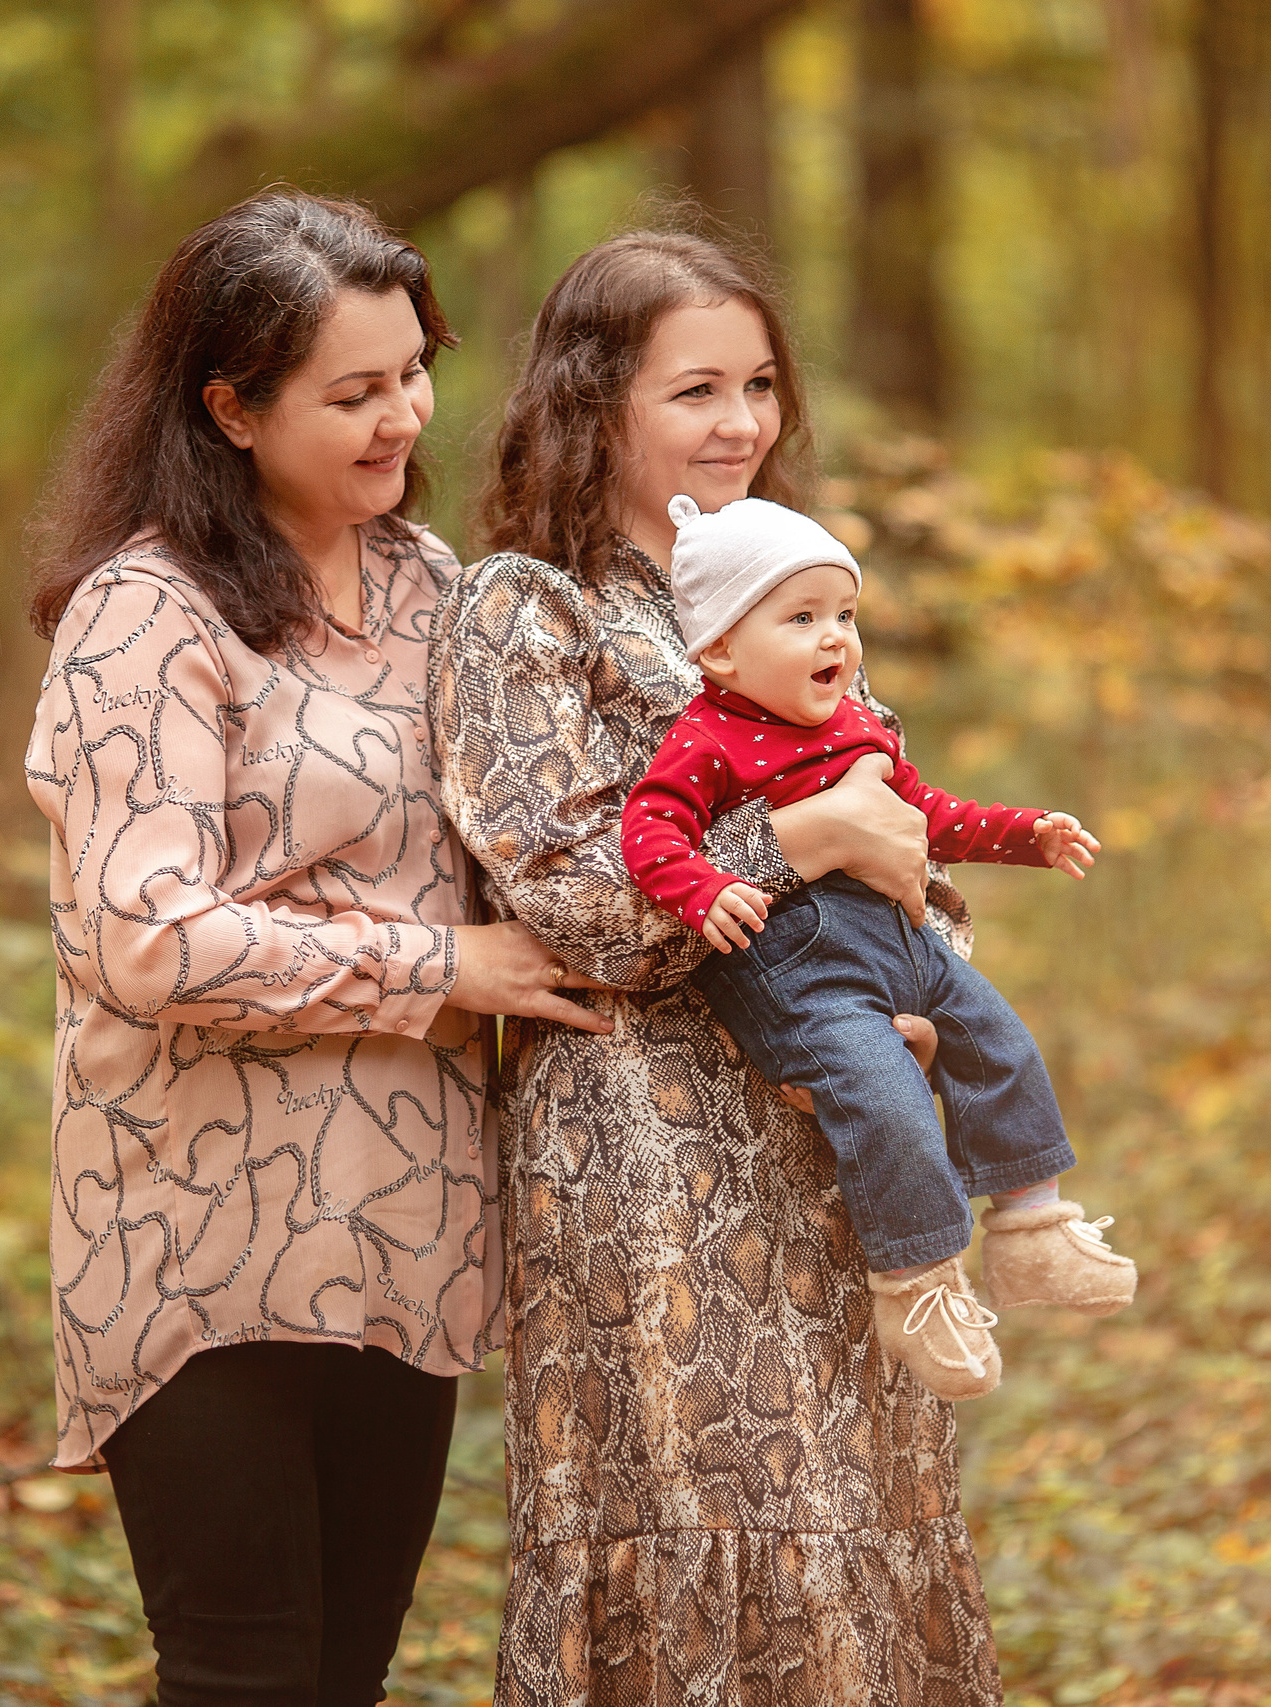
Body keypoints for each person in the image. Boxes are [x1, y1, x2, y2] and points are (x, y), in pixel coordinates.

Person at [23, 189, 606, 1707]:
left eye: (413, 370)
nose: (402, 415)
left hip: (408, 1225)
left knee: (347, 1675)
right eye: (351, 391)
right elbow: (147, 937)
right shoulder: (144, 616)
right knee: (241, 1676)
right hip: (197, 1235)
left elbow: (562, 851)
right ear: (228, 405)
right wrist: (438, 968)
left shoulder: (435, 591)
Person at [430, 228, 1004, 1702]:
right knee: (703, 1517)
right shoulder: (525, 607)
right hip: (646, 1162)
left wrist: (921, 997)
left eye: (758, 383)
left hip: (839, 1132)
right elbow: (580, 906)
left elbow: (906, 846)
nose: (741, 421)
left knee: (862, 1512)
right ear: (592, 400)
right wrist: (796, 837)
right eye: (697, 389)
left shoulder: (791, 595)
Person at [621, 493, 1137, 1402]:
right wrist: (704, 889)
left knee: (998, 1040)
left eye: (845, 615)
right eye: (803, 617)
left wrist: (1027, 834)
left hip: (900, 939)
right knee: (888, 1101)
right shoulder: (708, 739)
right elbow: (651, 831)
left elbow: (928, 816)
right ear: (720, 650)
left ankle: (1032, 1229)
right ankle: (923, 1284)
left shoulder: (856, 723)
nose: (836, 640)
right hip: (805, 969)